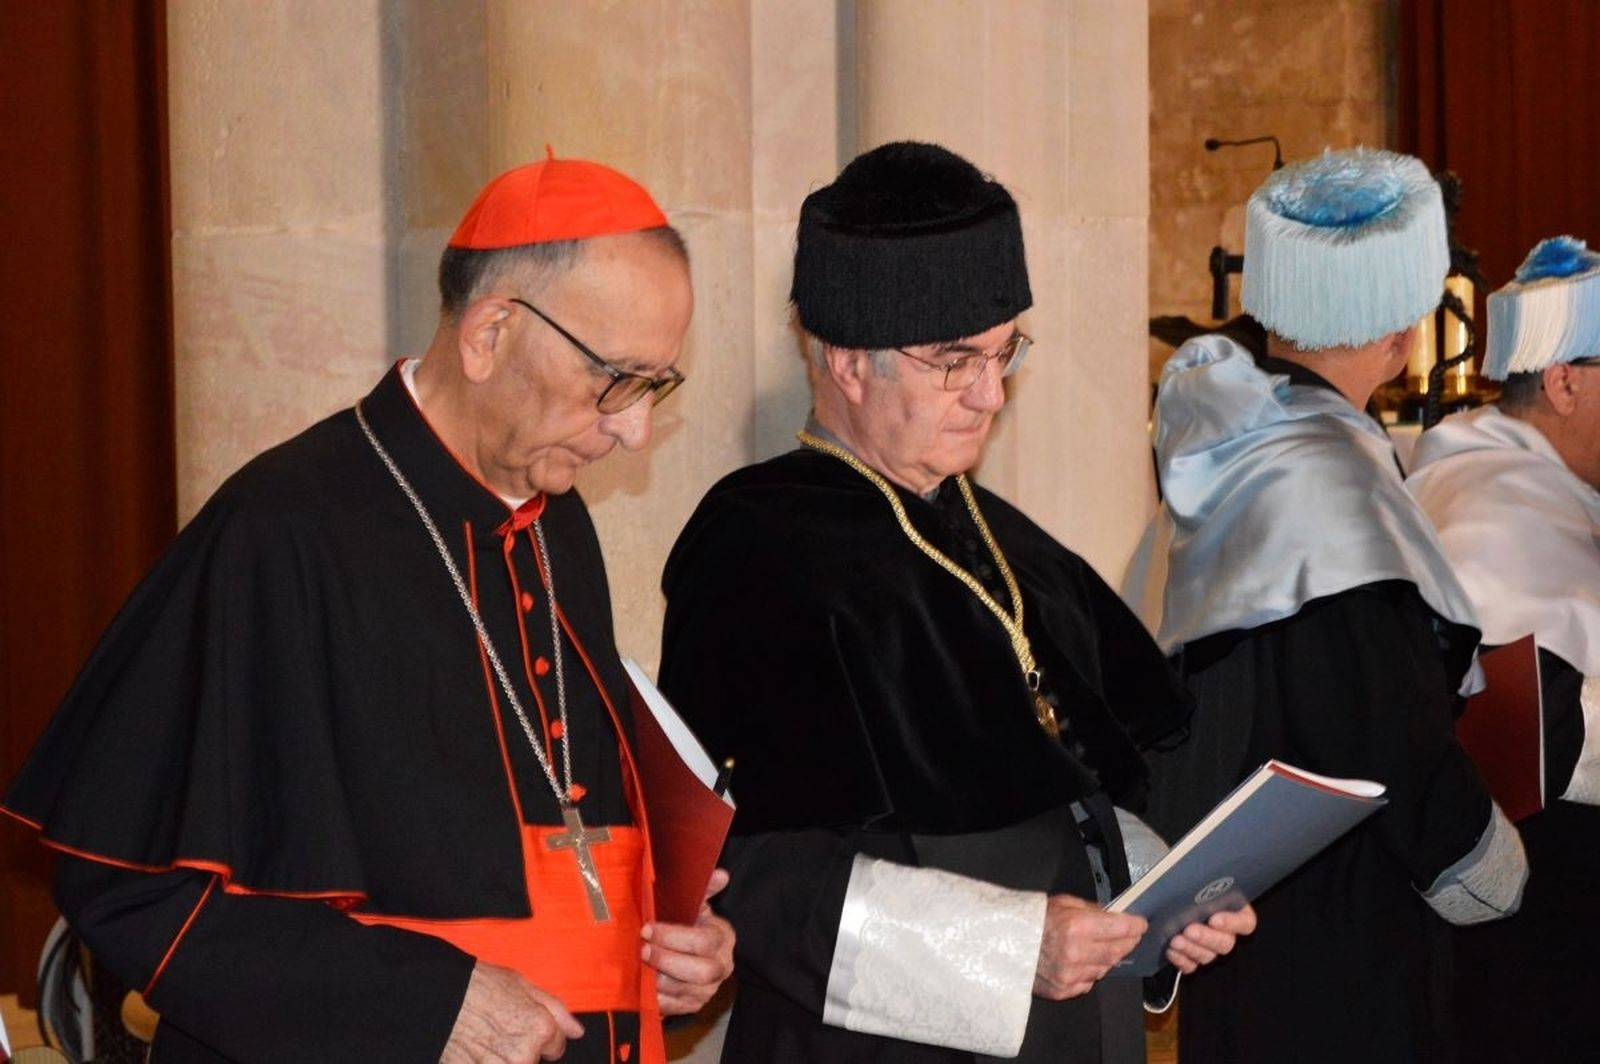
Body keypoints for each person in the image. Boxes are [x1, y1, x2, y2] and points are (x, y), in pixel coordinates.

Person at [1, 155, 734, 1063]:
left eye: (656, 385)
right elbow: (128, 888)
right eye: (615, 381)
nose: (633, 430)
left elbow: (557, 858)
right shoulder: (281, 529)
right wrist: (421, 1005)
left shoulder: (558, 527)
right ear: (490, 333)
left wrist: (664, 943)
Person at [657, 141, 1254, 1064]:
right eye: (955, 361)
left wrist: (1160, 904)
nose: (991, 394)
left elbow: (1075, 796)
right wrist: (1008, 950)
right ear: (848, 361)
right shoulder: (757, 548)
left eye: (1005, 350)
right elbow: (749, 873)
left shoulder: (1009, 542)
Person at [1122, 147, 1528, 1063]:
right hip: (1337, 928)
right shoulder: (1330, 480)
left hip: (1239, 913)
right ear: (1401, 326)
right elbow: (1381, 726)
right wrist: (1482, 859)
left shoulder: (1234, 434)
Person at [1406, 235, 1600, 1064]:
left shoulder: (1516, 477)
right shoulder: (1493, 508)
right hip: (1530, 910)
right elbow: (1528, 726)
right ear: (1564, 382)